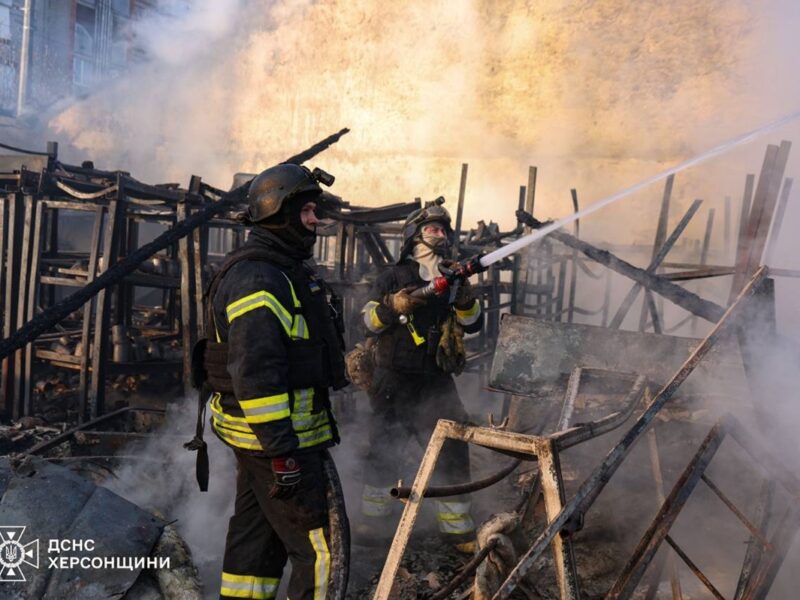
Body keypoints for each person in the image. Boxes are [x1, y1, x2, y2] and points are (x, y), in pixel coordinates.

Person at [200, 164, 348, 600]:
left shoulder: (279, 270)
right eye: (306, 211)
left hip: (262, 442)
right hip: (279, 443)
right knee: (321, 554)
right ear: (277, 213)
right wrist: (282, 452)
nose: (314, 220)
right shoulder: (260, 280)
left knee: (257, 544)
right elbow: (256, 374)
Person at [357, 198, 483, 552]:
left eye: (443, 230)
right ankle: (373, 521)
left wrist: (465, 300)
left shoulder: (454, 277)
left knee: (452, 448)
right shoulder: (392, 277)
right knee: (384, 448)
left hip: (436, 381)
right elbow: (366, 322)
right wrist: (391, 305)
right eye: (432, 228)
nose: (439, 235)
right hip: (393, 378)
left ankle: (457, 531)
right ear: (414, 235)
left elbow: (474, 324)